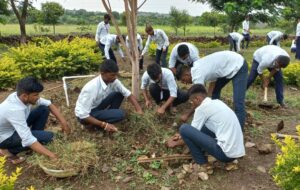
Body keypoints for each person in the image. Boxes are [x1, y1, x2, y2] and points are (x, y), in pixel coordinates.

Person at [167, 84, 245, 168]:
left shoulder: (201, 108)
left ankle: (201, 162)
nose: (192, 104)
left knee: (184, 128)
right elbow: (195, 130)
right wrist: (180, 135)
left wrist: (175, 143)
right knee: (203, 127)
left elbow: (189, 132)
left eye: (192, 101)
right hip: (236, 152)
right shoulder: (217, 102)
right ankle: (202, 151)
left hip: (225, 154)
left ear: (197, 99)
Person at [0, 77, 71, 164]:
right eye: (36, 95)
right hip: (5, 137)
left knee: (43, 109)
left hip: (14, 126)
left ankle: (37, 138)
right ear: (25, 96)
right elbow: (28, 139)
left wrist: (64, 123)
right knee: (50, 137)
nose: (38, 97)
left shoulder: (19, 95)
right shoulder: (14, 110)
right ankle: (7, 150)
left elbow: (48, 103)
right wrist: (51, 155)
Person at [177, 51, 248, 129]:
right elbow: (213, 82)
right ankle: (217, 117)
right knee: (215, 93)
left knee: (238, 102)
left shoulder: (197, 75)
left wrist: (187, 115)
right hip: (227, 64)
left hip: (238, 64)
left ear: (187, 74)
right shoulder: (197, 66)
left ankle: (238, 130)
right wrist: (208, 97)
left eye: (184, 80)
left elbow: (198, 99)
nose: (185, 83)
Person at [75, 59, 143, 133]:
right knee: (120, 114)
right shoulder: (91, 88)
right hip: (85, 116)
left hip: (96, 107)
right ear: (103, 73)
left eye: (116, 75)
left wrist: (139, 110)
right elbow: (83, 115)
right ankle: (93, 125)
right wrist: (104, 125)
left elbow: (128, 94)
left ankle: (107, 117)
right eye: (112, 75)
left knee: (118, 94)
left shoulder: (113, 81)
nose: (115, 77)